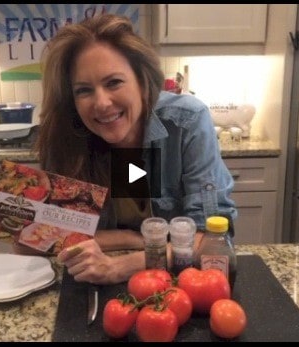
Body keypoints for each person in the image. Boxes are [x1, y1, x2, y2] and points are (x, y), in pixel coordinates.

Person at [15, 13, 237, 284]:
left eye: (114, 82)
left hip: (177, 288)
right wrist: (133, 239)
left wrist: (121, 266)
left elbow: (213, 236)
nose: (102, 103)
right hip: (88, 287)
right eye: (83, 90)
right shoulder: (64, 135)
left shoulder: (187, 121)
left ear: (143, 81)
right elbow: (26, 240)